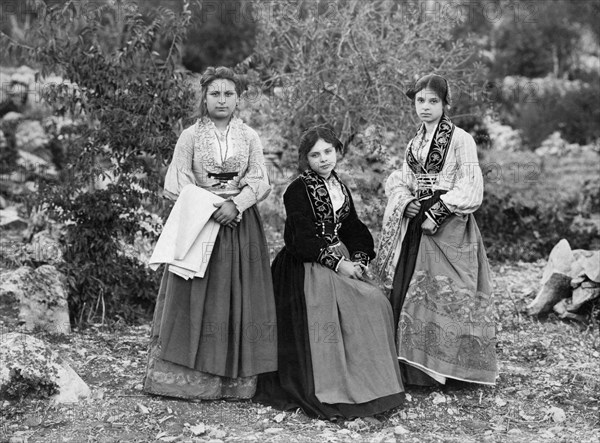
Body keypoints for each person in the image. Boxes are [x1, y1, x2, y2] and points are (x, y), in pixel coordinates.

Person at [143, 66, 277, 400]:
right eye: (215, 93)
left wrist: (238, 203)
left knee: (236, 296)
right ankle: (188, 380)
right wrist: (210, 205)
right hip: (200, 223)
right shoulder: (190, 135)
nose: (222, 99)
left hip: (240, 223)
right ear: (204, 97)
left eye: (228, 94)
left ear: (239, 98)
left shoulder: (249, 137)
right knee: (197, 293)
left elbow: (260, 178)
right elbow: (178, 179)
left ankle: (234, 383)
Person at [255, 125, 404, 420]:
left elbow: (354, 228)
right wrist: (339, 264)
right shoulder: (297, 190)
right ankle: (335, 385)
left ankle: (373, 383)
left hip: (340, 258)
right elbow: (301, 239)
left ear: (337, 150)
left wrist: (359, 259)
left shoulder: (339, 186)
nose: (323, 159)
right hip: (307, 265)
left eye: (328, 151)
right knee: (357, 306)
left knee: (377, 302)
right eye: (315, 155)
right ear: (305, 159)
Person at [375, 74, 497, 387]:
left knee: (447, 292)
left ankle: (449, 372)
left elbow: (471, 185)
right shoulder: (414, 143)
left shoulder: (460, 139)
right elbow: (402, 179)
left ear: (445, 104)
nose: (426, 107)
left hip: (449, 223)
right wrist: (406, 202)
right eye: (420, 101)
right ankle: (413, 371)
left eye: (433, 101)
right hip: (417, 221)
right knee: (412, 290)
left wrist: (438, 211)